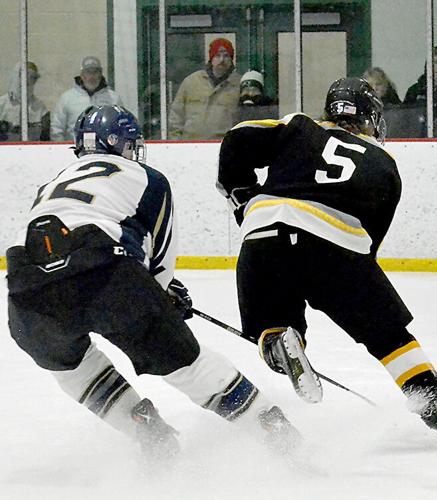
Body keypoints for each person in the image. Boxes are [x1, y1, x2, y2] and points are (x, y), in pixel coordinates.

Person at [6, 105, 300, 461]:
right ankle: (275, 432)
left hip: (26, 292)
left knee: (73, 369)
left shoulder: (50, 184)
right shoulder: (148, 177)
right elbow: (160, 263)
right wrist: (162, 295)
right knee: (188, 368)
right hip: (107, 275)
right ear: (121, 144)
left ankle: (148, 431)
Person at [216, 77, 437, 441]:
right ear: (370, 117)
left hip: (263, 235)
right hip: (334, 247)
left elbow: (238, 137)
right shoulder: (385, 164)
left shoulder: (299, 126)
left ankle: (282, 342)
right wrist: (365, 301)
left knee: (272, 320)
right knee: (390, 337)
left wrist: (241, 194)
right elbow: (369, 244)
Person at [168, 37, 241, 139]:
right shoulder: (191, 82)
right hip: (190, 145)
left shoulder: (238, 85)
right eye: (217, 55)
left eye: (226, 56)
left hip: (223, 145)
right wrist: (177, 143)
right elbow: (176, 116)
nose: (222, 60)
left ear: (231, 59)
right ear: (211, 58)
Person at [50, 56, 123, 141]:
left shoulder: (114, 98)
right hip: (74, 151)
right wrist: (63, 150)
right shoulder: (67, 98)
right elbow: (56, 129)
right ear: (81, 75)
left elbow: (122, 125)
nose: (92, 77)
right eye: (88, 72)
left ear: (100, 74)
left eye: (95, 72)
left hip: (106, 152)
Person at [0, 61, 50, 142]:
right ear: (15, 77)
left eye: (32, 77)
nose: (26, 81)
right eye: (22, 76)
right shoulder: (2, 104)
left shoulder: (40, 108)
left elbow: (45, 139)